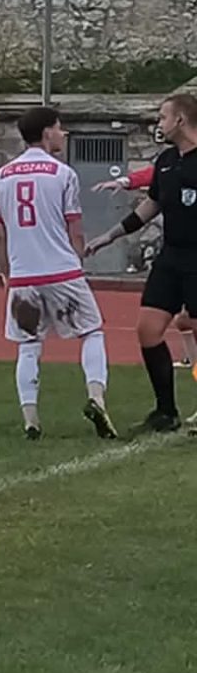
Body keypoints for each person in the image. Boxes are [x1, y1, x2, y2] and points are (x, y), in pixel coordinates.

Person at [0, 107, 117, 440]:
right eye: (59, 128)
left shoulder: (2, 176)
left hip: (23, 277)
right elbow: (74, 226)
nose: (63, 134)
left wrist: (6, 273)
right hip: (62, 272)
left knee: (28, 345)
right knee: (92, 331)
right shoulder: (63, 173)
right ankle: (96, 398)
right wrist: (79, 257)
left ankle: (31, 420)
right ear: (46, 133)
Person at [87, 93, 197, 434]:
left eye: (163, 117)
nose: (158, 123)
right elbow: (150, 207)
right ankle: (166, 411)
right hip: (172, 257)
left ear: (180, 120)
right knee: (148, 329)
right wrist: (110, 236)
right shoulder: (166, 161)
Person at [92, 165, 197, 373]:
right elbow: (159, 176)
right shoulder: (172, 160)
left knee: (186, 320)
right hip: (176, 257)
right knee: (173, 322)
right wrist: (126, 181)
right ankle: (191, 362)